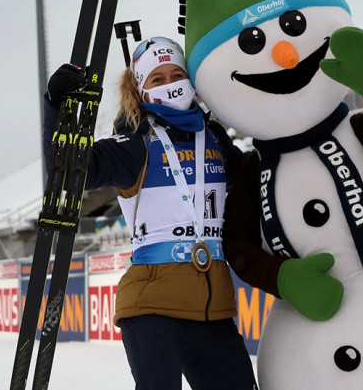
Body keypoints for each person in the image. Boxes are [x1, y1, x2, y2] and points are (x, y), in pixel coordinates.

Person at [42, 37, 257, 390]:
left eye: (177, 74)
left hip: (215, 311)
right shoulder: (135, 146)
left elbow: (255, 177)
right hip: (153, 310)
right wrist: (59, 107)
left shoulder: (215, 141)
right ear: (140, 90)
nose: (170, 84)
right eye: (157, 79)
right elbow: (66, 172)